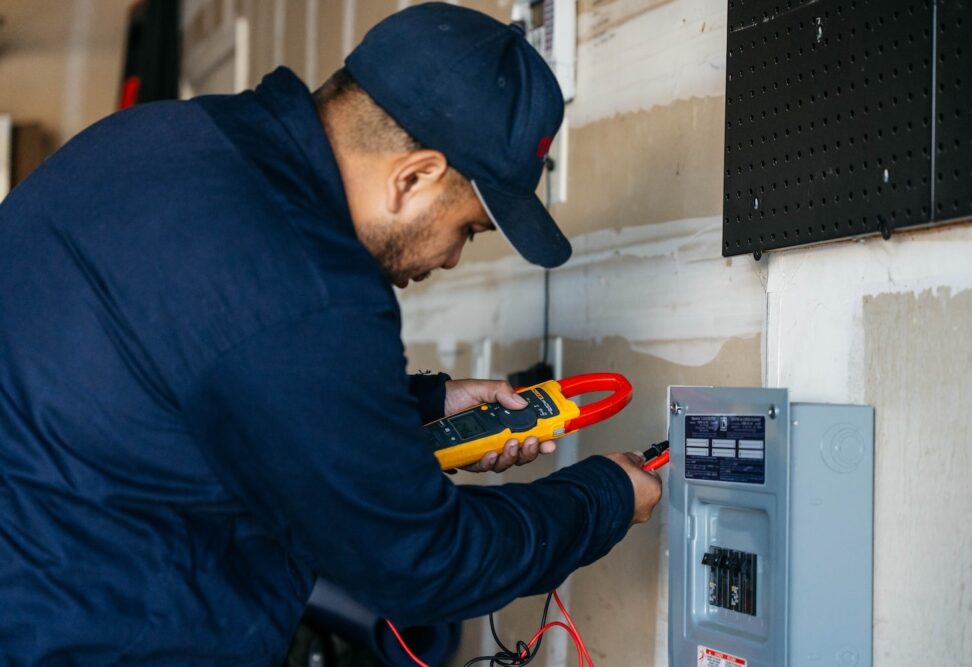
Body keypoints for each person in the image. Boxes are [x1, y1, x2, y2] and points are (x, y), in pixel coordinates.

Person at [0, 3, 662, 665]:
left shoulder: (170, 139)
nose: (453, 258)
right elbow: (423, 560)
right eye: (468, 228)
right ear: (415, 176)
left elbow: (206, 371)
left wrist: (426, 405)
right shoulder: (307, 283)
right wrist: (603, 497)